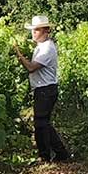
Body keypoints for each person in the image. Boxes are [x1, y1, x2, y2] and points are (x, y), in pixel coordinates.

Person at [12, 15, 71, 162]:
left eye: (36, 30)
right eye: (33, 30)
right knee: (43, 122)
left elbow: (31, 68)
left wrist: (19, 55)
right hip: (43, 89)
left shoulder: (47, 49)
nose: (33, 33)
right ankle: (60, 153)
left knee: (41, 123)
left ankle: (46, 155)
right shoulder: (41, 47)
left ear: (46, 30)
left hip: (46, 89)